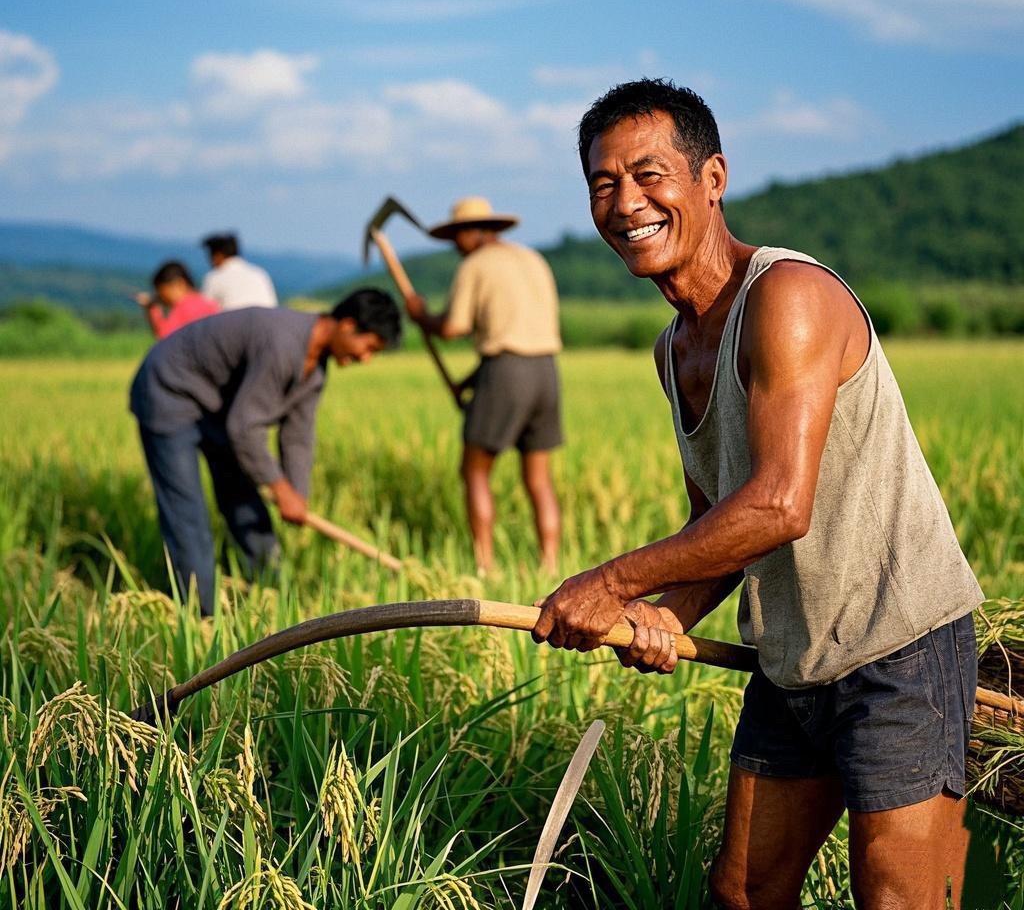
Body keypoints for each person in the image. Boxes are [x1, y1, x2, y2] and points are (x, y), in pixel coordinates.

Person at [530, 80, 984, 909]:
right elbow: (719, 519)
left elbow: (778, 504)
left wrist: (612, 585)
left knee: (899, 900)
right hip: (793, 661)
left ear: (713, 178)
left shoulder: (788, 297)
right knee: (742, 894)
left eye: (649, 174)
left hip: (899, 650)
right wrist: (669, 613)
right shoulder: (674, 350)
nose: (626, 201)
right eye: (603, 183)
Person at [129, 288, 401, 616]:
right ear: (346, 325)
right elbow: (244, 428)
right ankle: (200, 616)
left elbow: (298, 435)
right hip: (168, 391)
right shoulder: (283, 345)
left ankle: (274, 595)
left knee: (243, 494)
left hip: (217, 406)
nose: (365, 358)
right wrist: (279, 488)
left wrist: (296, 493)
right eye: (368, 347)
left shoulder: (314, 370)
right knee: (188, 512)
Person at [405, 196, 563, 571]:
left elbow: (453, 328)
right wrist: (470, 381)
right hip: (546, 372)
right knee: (538, 477)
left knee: (474, 470)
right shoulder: (532, 260)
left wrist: (420, 315)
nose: (454, 247)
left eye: (455, 238)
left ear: (470, 233)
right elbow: (522, 336)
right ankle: (551, 563)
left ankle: (484, 564)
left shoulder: (476, 264)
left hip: (505, 373)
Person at [135, 261, 220, 339]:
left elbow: (165, 336)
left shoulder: (184, 307)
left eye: (162, 292)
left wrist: (152, 308)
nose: (162, 298)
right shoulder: (208, 303)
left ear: (179, 284)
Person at [201, 232, 278, 310]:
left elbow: (205, 309)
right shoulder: (259, 273)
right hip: (267, 320)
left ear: (218, 255)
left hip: (232, 320)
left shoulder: (215, 277)